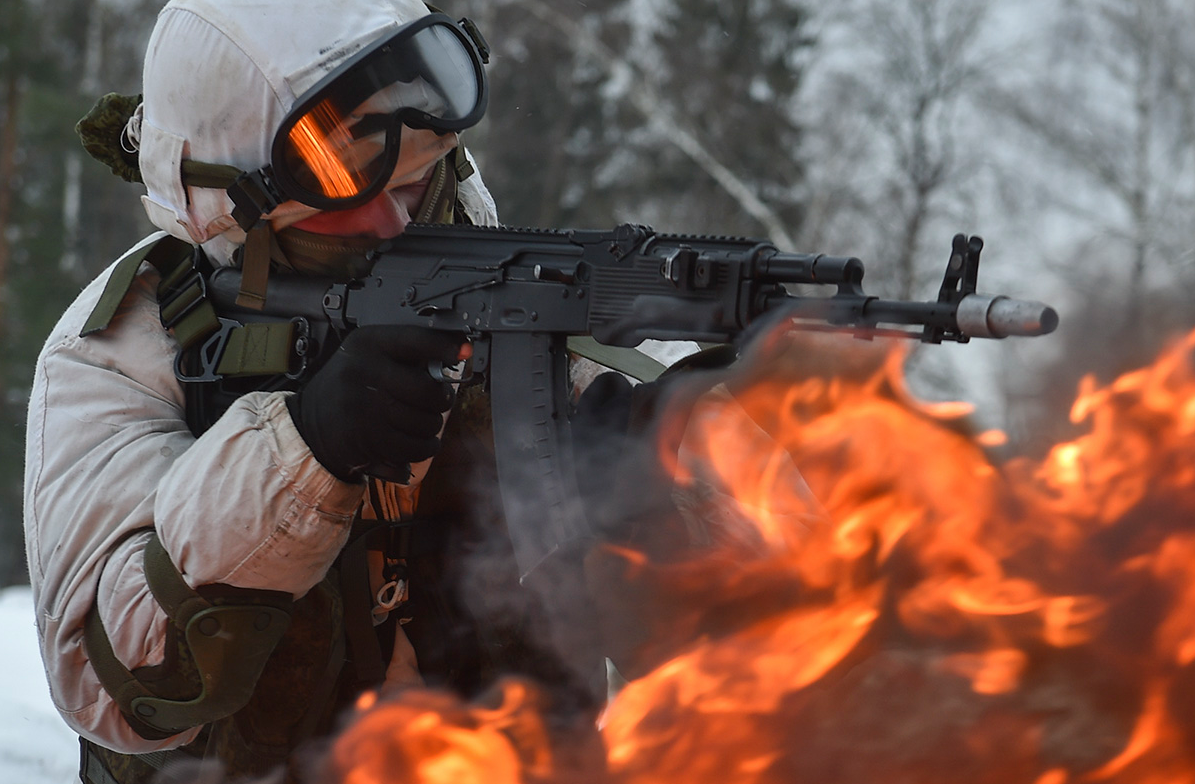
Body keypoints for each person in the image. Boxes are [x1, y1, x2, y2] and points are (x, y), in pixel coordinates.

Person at [22, 1, 585, 781]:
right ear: (233, 221)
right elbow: (111, 683)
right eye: (340, 211)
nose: (393, 225)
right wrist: (304, 449)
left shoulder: (494, 286)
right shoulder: (117, 345)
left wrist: (676, 435)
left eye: (414, 186)